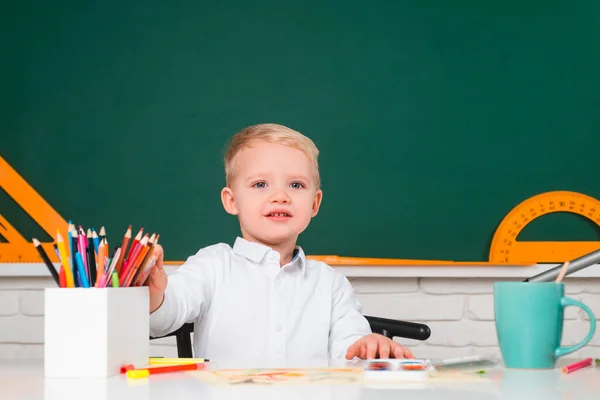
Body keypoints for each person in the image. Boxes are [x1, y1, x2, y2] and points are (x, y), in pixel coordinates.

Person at [147, 123, 414, 361]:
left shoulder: (330, 283)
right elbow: (165, 317)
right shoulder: (212, 265)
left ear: (315, 203)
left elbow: (348, 351)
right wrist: (155, 295)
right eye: (261, 184)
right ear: (232, 201)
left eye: (296, 185)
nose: (280, 196)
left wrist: (366, 344)